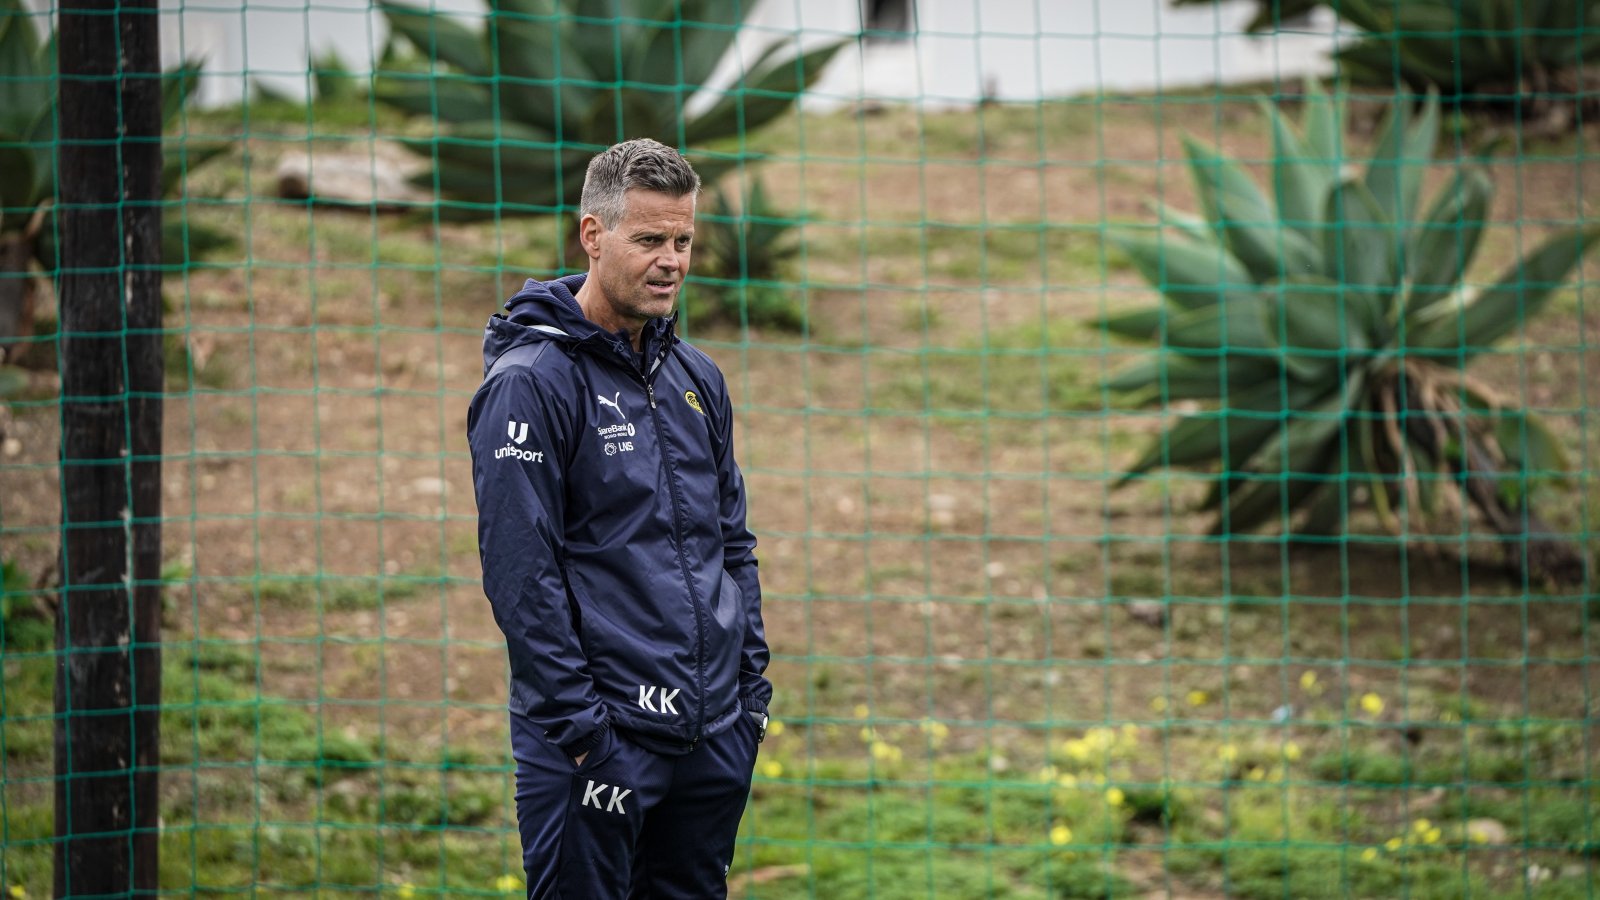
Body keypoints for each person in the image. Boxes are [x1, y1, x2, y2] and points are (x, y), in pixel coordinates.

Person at [466, 138, 771, 899]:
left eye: (683, 241)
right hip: (599, 746)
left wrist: (749, 698)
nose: (671, 261)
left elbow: (732, 543)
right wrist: (583, 734)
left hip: (712, 736)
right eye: (649, 239)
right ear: (593, 236)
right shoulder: (530, 385)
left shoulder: (697, 377)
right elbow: (521, 574)